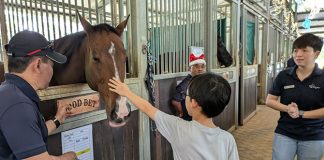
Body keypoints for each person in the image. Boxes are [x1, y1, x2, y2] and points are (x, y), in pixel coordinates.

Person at [109, 72, 239, 160]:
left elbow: (147, 108)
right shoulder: (228, 140)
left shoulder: (179, 128)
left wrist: (126, 92)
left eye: (186, 95)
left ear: (194, 103)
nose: (184, 98)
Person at [0, 30, 77, 160]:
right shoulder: (18, 104)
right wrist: (69, 157)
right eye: (52, 65)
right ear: (37, 65)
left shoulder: (10, 92)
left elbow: (30, 133)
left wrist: (58, 119)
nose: (52, 71)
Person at [266, 33, 324, 160]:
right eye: (295, 50)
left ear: (316, 53)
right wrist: (288, 109)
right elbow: (270, 100)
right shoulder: (284, 75)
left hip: (314, 134)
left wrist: (301, 113)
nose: (298, 55)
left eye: (304, 50)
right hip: (285, 131)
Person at [171, 48, 206, 120]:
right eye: (196, 66)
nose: (200, 69)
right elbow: (175, 102)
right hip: (189, 119)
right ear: (190, 69)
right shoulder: (185, 84)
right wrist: (183, 113)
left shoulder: (202, 80)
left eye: (202, 66)